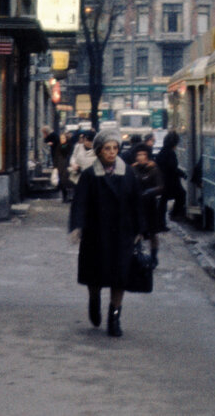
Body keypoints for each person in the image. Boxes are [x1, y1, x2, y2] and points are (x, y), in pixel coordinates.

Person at [68, 130, 148, 338]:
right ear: (99, 151)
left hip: (122, 234)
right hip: (96, 234)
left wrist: (141, 229)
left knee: (119, 278)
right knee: (95, 277)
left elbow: (137, 202)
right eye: (107, 148)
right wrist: (77, 226)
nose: (112, 152)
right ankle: (94, 301)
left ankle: (114, 318)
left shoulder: (128, 173)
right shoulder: (89, 175)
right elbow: (80, 203)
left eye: (115, 148)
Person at [130, 143, 165, 262]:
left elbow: (160, 186)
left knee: (152, 234)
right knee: (136, 232)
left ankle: (154, 257)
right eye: (139, 155)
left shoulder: (154, 169)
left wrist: (149, 192)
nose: (141, 157)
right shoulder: (132, 169)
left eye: (143, 154)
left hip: (150, 206)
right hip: (136, 206)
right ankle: (137, 255)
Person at [155, 130, 187, 222]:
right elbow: (172, 167)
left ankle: (161, 221)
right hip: (171, 181)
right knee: (181, 195)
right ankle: (174, 214)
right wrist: (183, 174)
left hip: (164, 180)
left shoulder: (162, 151)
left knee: (163, 200)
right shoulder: (170, 153)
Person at [68, 129, 98, 195]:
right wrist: (73, 164)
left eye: (92, 141)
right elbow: (73, 157)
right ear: (84, 140)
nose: (89, 143)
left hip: (92, 178)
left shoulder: (97, 149)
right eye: (88, 140)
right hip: (78, 175)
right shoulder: (78, 147)